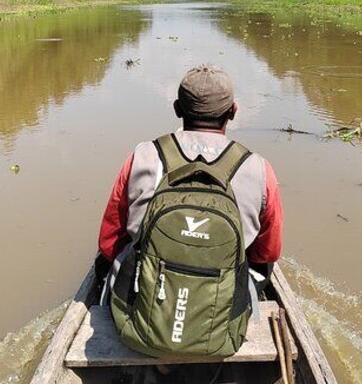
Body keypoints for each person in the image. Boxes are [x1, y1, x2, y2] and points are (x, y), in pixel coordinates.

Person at [98, 64, 283, 357]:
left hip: (135, 328)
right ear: (233, 111)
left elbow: (109, 242)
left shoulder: (144, 155)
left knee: (108, 261)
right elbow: (268, 253)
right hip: (223, 335)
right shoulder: (258, 168)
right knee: (262, 264)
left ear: (177, 109)